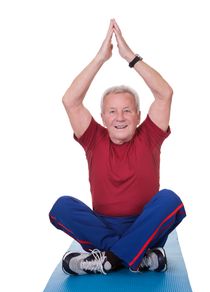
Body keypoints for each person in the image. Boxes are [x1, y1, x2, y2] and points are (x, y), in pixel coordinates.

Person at [49, 19, 186, 276]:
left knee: (170, 200)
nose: (119, 117)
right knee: (61, 207)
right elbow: (70, 100)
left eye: (126, 111)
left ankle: (110, 259)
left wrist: (130, 57)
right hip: (102, 229)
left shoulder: (149, 136)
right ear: (102, 117)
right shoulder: (93, 139)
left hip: (146, 228)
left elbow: (164, 94)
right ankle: (137, 257)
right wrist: (101, 58)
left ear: (137, 115)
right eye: (112, 111)